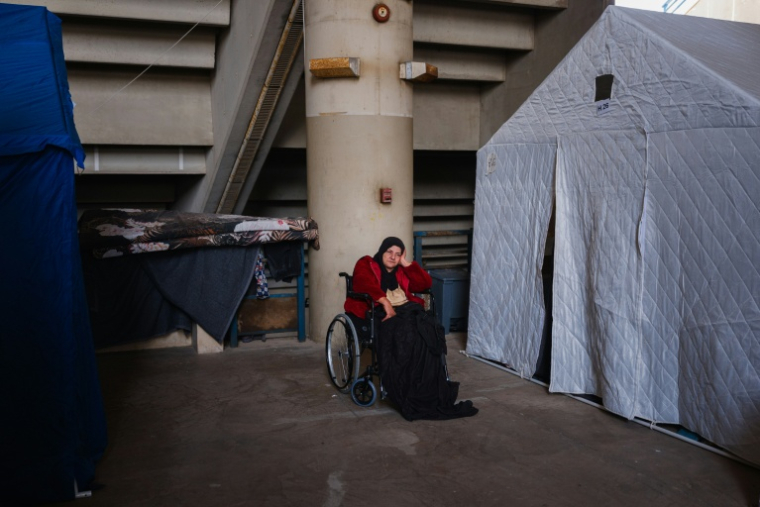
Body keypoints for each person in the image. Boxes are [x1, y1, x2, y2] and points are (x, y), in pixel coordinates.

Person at [344, 236, 478, 421]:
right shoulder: (367, 263)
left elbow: (424, 284)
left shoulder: (400, 270)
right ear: (382, 251)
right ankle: (406, 386)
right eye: (389, 252)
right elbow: (362, 282)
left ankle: (425, 386)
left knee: (429, 330)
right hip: (378, 312)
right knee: (407, 333)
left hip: (406, 309)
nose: (393, 257)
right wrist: (384, 301)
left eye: (398, 254)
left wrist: (407, 263)